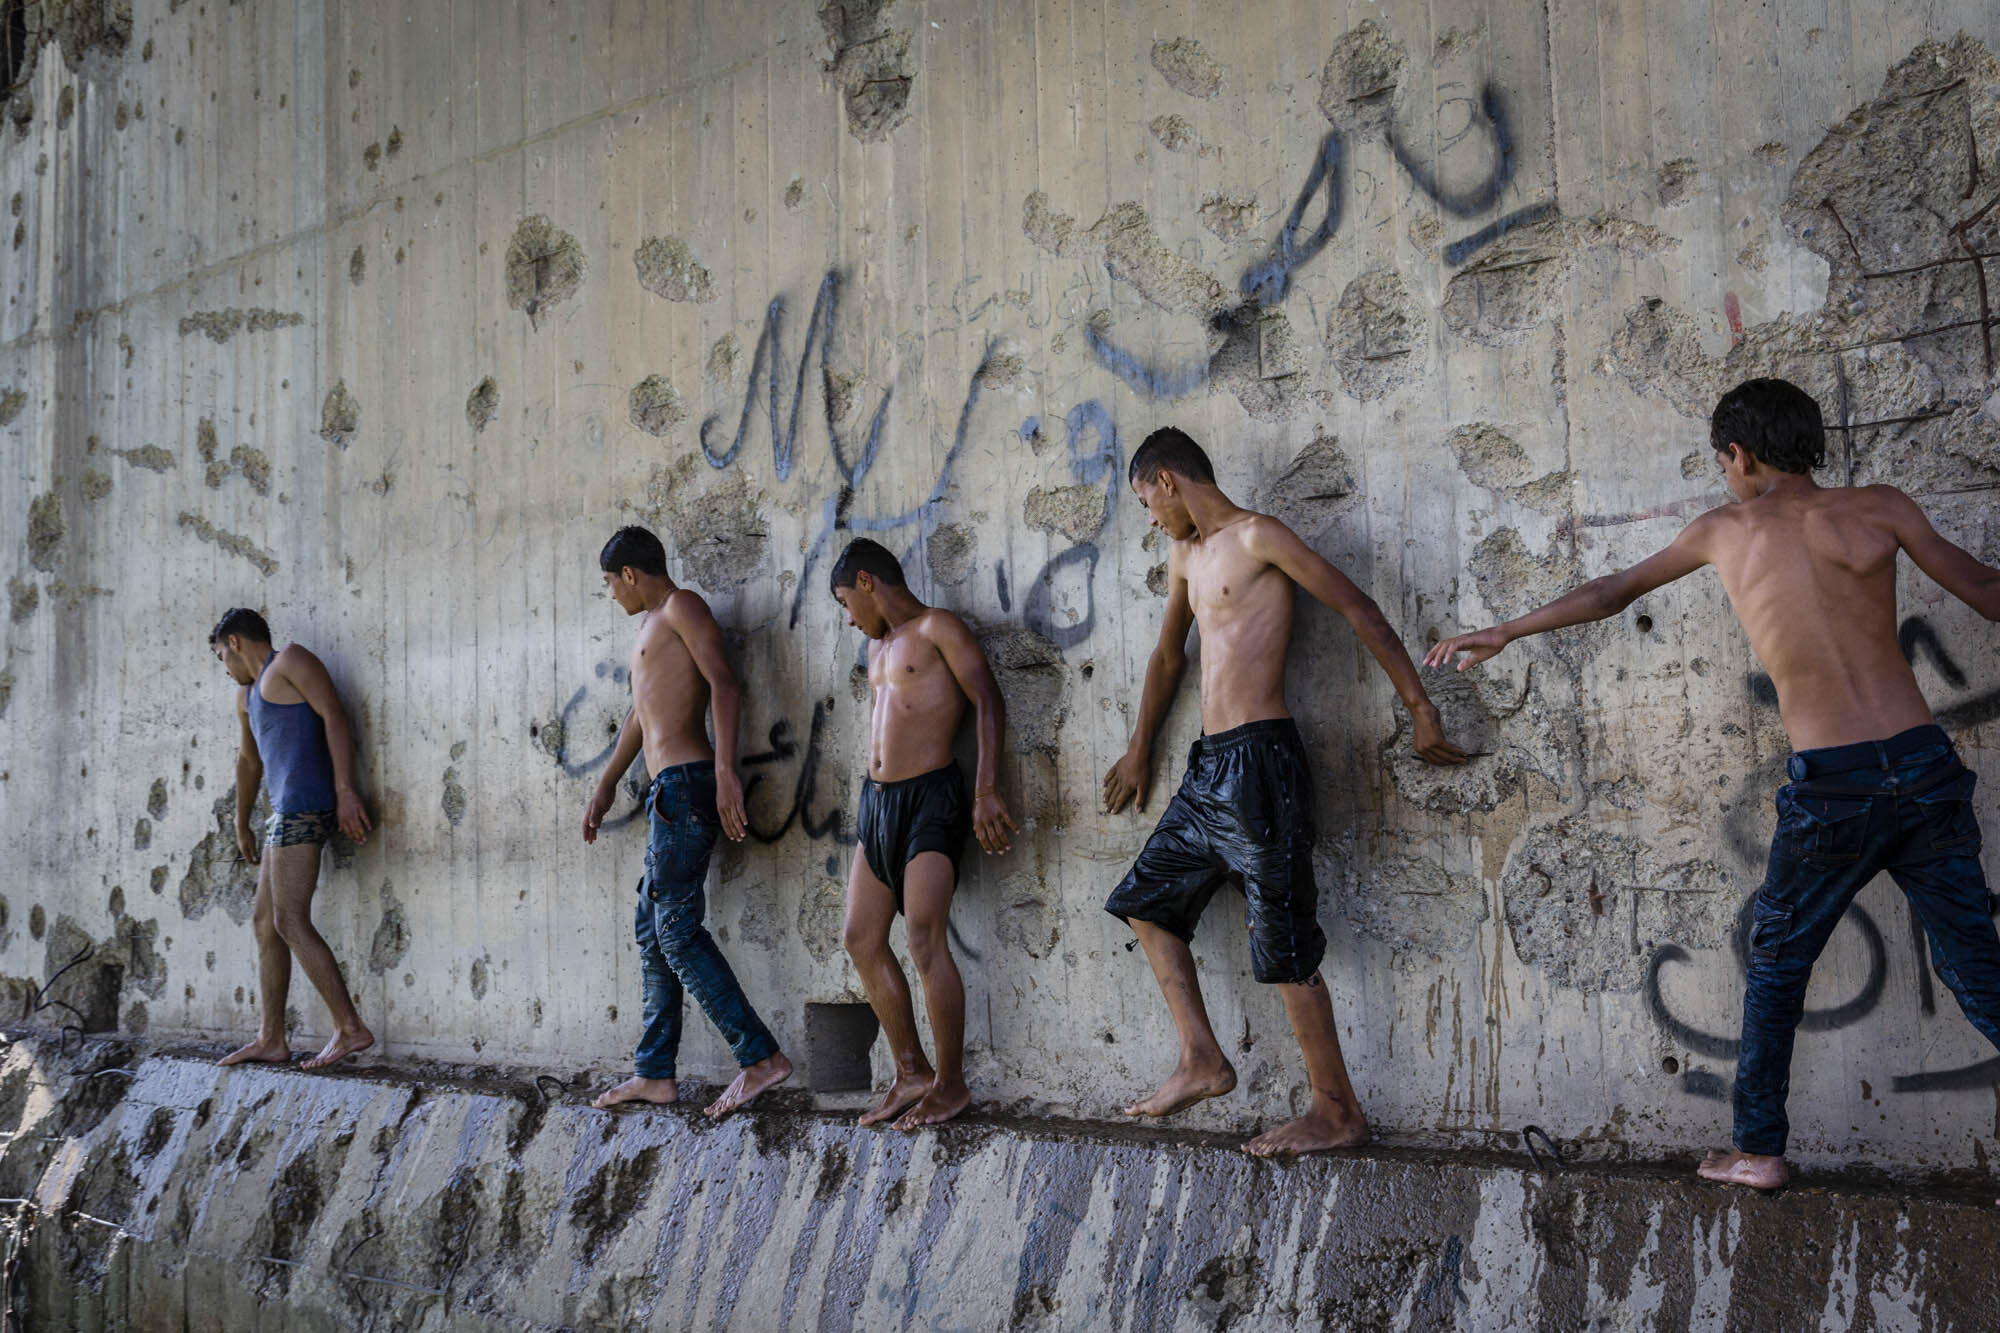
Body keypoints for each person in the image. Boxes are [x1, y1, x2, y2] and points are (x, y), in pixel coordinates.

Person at [1427, 377, 2000, 1190]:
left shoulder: (1727, 531)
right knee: (1977, 967)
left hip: (1833, 787)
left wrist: (1507, 629)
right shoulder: (1883, 507)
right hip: (1922, 765)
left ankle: (1759, 1149)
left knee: (1776, 966)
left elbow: (1609, 593)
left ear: (1741, 454)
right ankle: (1758, 1145)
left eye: (1722, 459)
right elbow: (1986, 589)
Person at [1103, 428, 1467, 1155]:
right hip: (1208, 770)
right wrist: (1141, 746)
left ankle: (1337, 1110)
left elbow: (1357, 607)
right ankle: (1201, 1057)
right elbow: (1170, 654)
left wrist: (1420, 707)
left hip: (1264, 765)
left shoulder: (1258, 537)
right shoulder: (1187, 555)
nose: (1152, 519)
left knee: (1286, 945)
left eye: (1149, 501)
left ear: (1170, 481)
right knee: (1144, 901)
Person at [584, 526, 792, 1119]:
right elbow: (639, 717)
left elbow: (724, 682)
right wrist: (604, 784)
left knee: (675, 930)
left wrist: (726, 770)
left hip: (688, 784)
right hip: (664, 791)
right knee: (653, 930)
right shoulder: (651, 628)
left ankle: (760, 1059)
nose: (611, 596)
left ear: (629, 573)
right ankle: (654, 1074)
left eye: (609, 583)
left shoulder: (681, 606)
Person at [830, 539, 1016, 1130]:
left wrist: (986, 790)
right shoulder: (876, 645)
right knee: (860, 937)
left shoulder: (939, 628)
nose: (848, 617)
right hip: (877, 803)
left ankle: (951, 1083)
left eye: (846, 602)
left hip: (932, 797)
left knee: (923, 936)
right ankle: (909, 1070)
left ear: (867, 582)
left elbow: (987, 700)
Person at [208, 608, 375, 1069]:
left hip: (307, 805)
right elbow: (248, 763)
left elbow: (334, 717)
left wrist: (345, 791)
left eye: (222, 656)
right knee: (266, 922)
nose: (224, 668)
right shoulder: (247, 696)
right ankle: (271, 1038)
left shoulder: (291, 662)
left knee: (290, 921)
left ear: (236, 642)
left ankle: (349, 1028)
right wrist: (242, 823)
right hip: (281, 814)